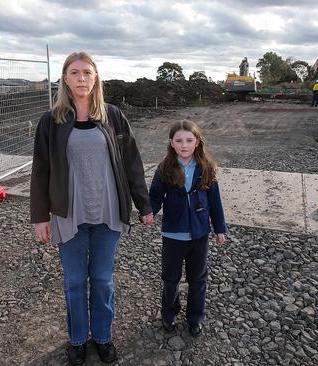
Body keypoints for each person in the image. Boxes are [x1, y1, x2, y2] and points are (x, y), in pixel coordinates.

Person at [30, 51, 154, 365]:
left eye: (87, 72)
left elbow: (132, 163)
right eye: (74, 73)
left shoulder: (112, 116)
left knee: (101, 279)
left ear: (95, 77)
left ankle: (102, 337)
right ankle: (76, 340)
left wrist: (144, 205)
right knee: (73, 281)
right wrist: (40, 217)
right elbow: (41, 170)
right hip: (69, 215)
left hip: (107, 213)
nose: (81, 78)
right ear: (65, 79)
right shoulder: (51, 121)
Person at [149, 119, 227, 337]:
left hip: (199, 235)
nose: (184, 145)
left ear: (197, 142)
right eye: (179, 140)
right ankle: (169, 313)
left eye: (189, 140)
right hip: (173, 234)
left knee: (198, 278)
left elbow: (215, 201)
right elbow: (154, 197)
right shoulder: (164, 168)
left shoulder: (207, 168)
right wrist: (149, 213)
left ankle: (195, 317)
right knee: (170, 278)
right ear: (171, 143)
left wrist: (220, 229)